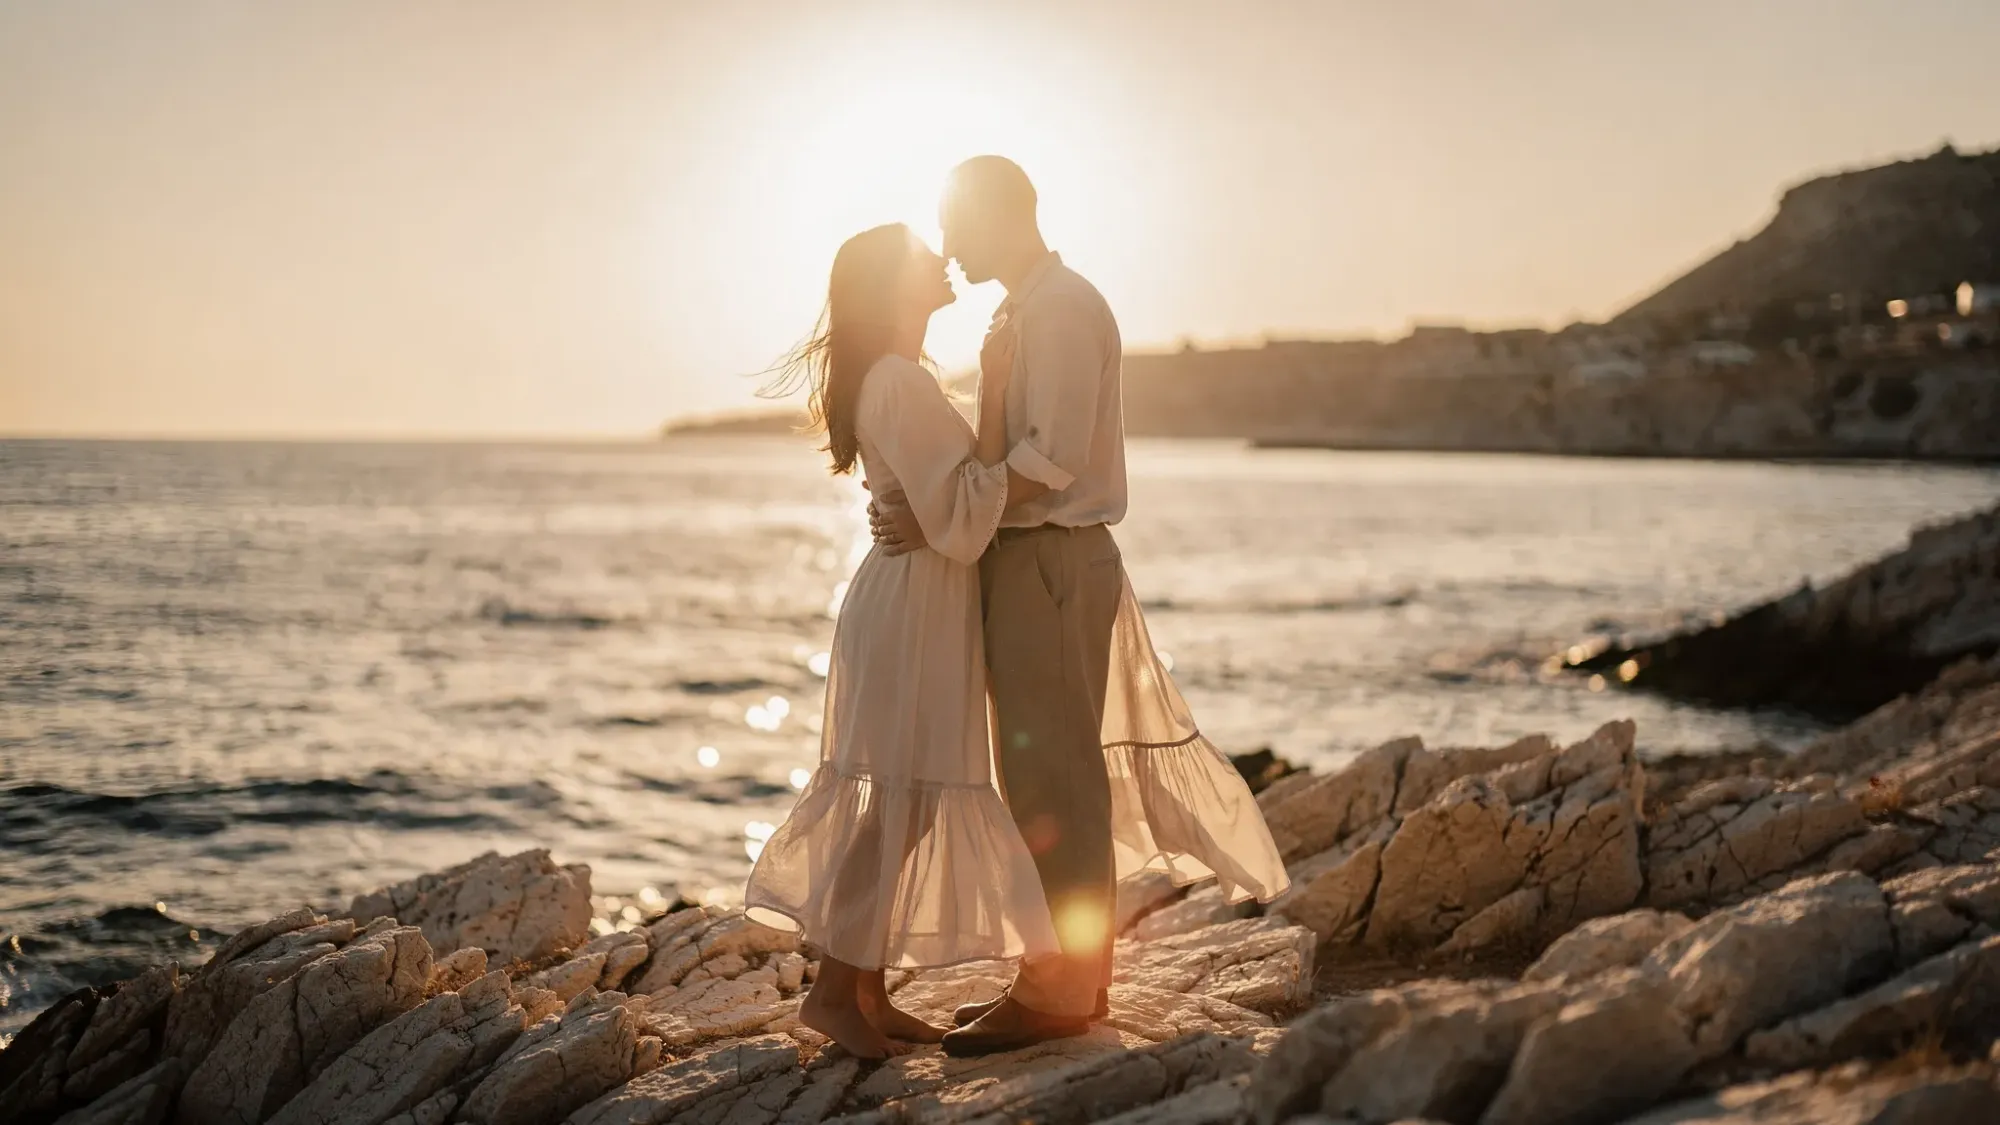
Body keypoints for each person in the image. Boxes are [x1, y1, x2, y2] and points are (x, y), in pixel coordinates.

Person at [871, 157, 1291, 1057]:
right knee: (1046, 776)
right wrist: (936, 506)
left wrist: (937, 510)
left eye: (956, 226)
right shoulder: (1023, 309)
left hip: (1049, 560)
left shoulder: (1060, 308)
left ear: (1000, 215)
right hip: (1027, 561)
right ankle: (1072, 976)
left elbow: (1046, 460)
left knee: (1054, 778)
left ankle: (1059, 990)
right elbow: (1004, 457)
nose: (947, 246)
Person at [742, 223, 1060, 1060]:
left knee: (905, 801)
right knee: (900, 803)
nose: (943, 257)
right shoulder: (896, 381)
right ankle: (830, 994)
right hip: (912, 606)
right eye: (923, 253)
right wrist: (1015, 430)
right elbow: (958, 504)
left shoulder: (902, 377)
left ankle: (867, 991)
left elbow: (937, 502)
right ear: (891, 287)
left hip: (923, 601)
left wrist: (932, 507)